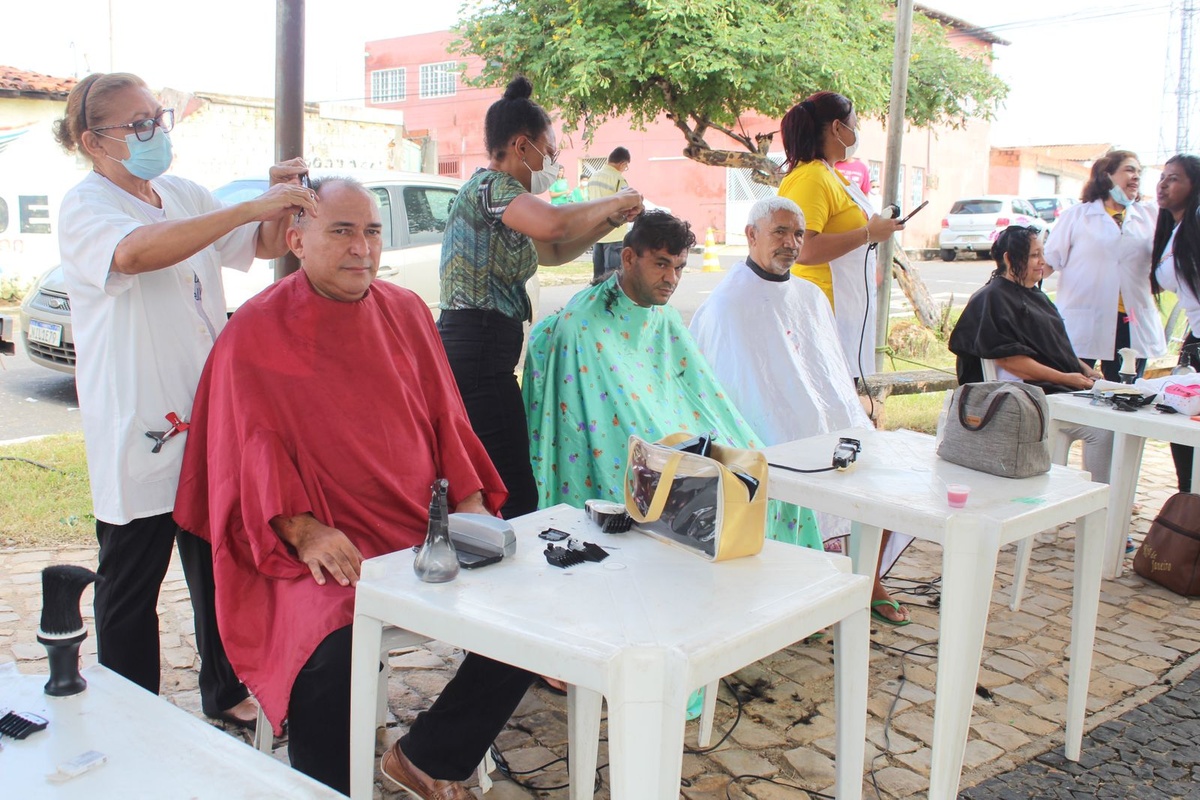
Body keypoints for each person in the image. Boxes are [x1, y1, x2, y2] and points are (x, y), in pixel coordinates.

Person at [175, 177, 534, 798]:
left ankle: (430, 753)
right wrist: (304, 529)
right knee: (330, 643)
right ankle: (326, 788)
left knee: (535, 613)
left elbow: (446, 420)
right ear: (297, 240)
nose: (361, 248)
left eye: (371, 231)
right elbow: (244, 456)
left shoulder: (407, 310)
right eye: (341, 231)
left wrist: (473, 510)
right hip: (313, 540)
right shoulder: (253, 332)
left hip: (419, 527)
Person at [53, 71, 315, 729]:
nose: (152, 133)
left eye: (157, 118)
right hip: (138, 418)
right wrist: (245, 208)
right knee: (131, 580)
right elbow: (135, 254)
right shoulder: (87, 206)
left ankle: (225, 691)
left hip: (207, 416)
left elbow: (250, 245)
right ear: (94, 141)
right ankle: (131, 709)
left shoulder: (181, 193)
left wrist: (279, 198)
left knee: (219, 570)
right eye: (135, 125)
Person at [523, 209, 821, 547]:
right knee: (702, 490)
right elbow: (582, 428)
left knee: (768, 478)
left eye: (679, 268)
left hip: (678, 435)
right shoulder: (582, 325)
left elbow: (702, 395)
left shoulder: (663, 316)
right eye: (661, 264)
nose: (672, 279)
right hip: (637, 450)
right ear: (629, 257)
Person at [689, 197, 913, 624]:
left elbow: (828, 369)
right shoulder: (726, 305)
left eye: (797, 234)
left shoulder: (810, 296)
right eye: (780, 232)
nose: (791, 243)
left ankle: (867, 577)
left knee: (880, 465)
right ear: (751, 235)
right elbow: (723, 392)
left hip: (830, 420)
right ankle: (801, 586)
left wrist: (851, 412)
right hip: (766, 434)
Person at [438, 77, 642, 522]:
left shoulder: (511, 205)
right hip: (474, 348)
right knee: (512, 490)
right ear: (521, 146)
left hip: (487, 351)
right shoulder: (491, 188)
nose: (552, 163)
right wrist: (616, 198)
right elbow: (552, 226)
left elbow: (551, 252)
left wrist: (610, 221)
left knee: (500, 479)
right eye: (550, 152)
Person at [949, 226, 1113, 485]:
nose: (1043, 262)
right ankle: (1103, 500)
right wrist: (1068, 379)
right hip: (1031, 397)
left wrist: (1084, 370)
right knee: (1102, 430)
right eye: (1035, 255)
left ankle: (1103, 498)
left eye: (1042, 254)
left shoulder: (1036, 295)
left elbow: (1055, 347)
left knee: (1114, 418)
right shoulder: (992, 299)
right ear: (1009, 259)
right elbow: (1011, 361)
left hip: (1062, 387)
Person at [778, 92, 904, 379]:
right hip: (822, 308)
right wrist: (868, 233)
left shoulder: (832, 174)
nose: (856, 132)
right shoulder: (811, 177)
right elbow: (803, 249)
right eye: (854, 124)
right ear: (837, 128)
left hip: (845, 307)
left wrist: (876, 229)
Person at [1043, 150, 1165, 382]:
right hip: (1084, 318)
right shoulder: (1077, 216)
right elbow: (1050, 261)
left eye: (1139, 172)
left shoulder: (1150, 216)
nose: (1136, 177)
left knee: (1125, 391)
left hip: (1131, 321)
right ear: (1106, 175)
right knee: (1074, 388)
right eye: (1129, 170)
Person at [1150, 154, 1200, 491]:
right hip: (1194, 340)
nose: (1163, 184)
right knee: (1183, 434)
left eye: (1174, 178)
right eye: (1163, 177)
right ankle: (1189, 510)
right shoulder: (1175, 228)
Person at [587, 146, 633, 280]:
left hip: (597, 233)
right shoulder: (618, 179)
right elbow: (626, 203)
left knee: (598, 277)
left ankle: (597, 300)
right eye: (626, 166)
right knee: (613, 277)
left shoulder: (593, 177)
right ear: (623, 164)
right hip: (614, 233)